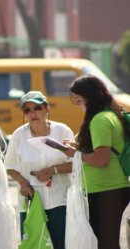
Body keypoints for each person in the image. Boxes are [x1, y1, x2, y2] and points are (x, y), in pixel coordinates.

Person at [64, 75, 130, 249]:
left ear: (89, 96)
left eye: (78, 99)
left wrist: (74, 154)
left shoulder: (100, 120)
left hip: (105, 190)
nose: (78, 104)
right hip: (110, 188)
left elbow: (101, 160)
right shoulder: (109, 115)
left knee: (105, 244)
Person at [4, 91, 74, 249]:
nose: (32, 113)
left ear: (47, 108)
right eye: (27, 110)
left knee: (60, 245)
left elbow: (76, 162)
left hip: (60, 200)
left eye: (37, 108)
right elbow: (10, 166)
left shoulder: (63, 131)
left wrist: (53, 170)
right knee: (34, 245)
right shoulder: (18, 136)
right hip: (31, 201)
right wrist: (23, 183)